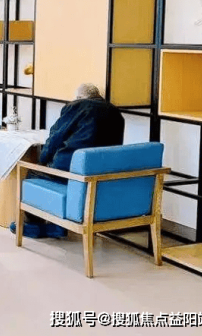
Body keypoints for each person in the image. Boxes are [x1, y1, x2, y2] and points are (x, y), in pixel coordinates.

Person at [11, 83, 125, 238]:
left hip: (69, 170)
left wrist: (42, 162)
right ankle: (58, 225)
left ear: (79, 97)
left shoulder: (77, 106)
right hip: (100, 174)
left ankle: (35, 226)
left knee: (32, 173)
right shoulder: (116, 113)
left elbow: (55, 138)